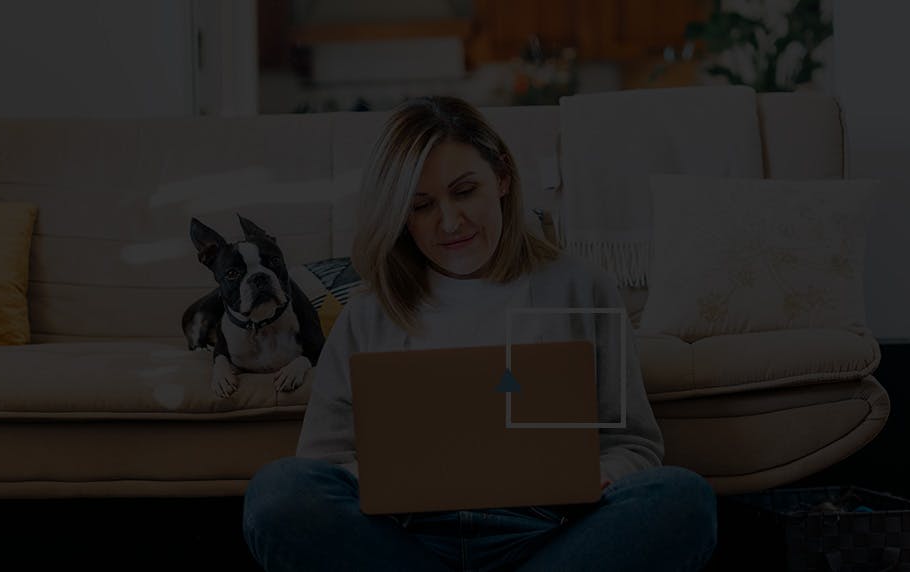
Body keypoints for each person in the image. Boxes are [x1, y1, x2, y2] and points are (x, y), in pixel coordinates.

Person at [242, 96, 717, 571]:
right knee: (277, 495)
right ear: (400, 217)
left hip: (550, 535)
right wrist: (380, 479)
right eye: (422, 206)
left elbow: (634, 445)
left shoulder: (582, 287)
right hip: (409, 541)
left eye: (465, 191)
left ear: (503, 177)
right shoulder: (368, 316)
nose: (449, 222)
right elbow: (322, 464)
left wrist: (603, 475)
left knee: (682, 501)